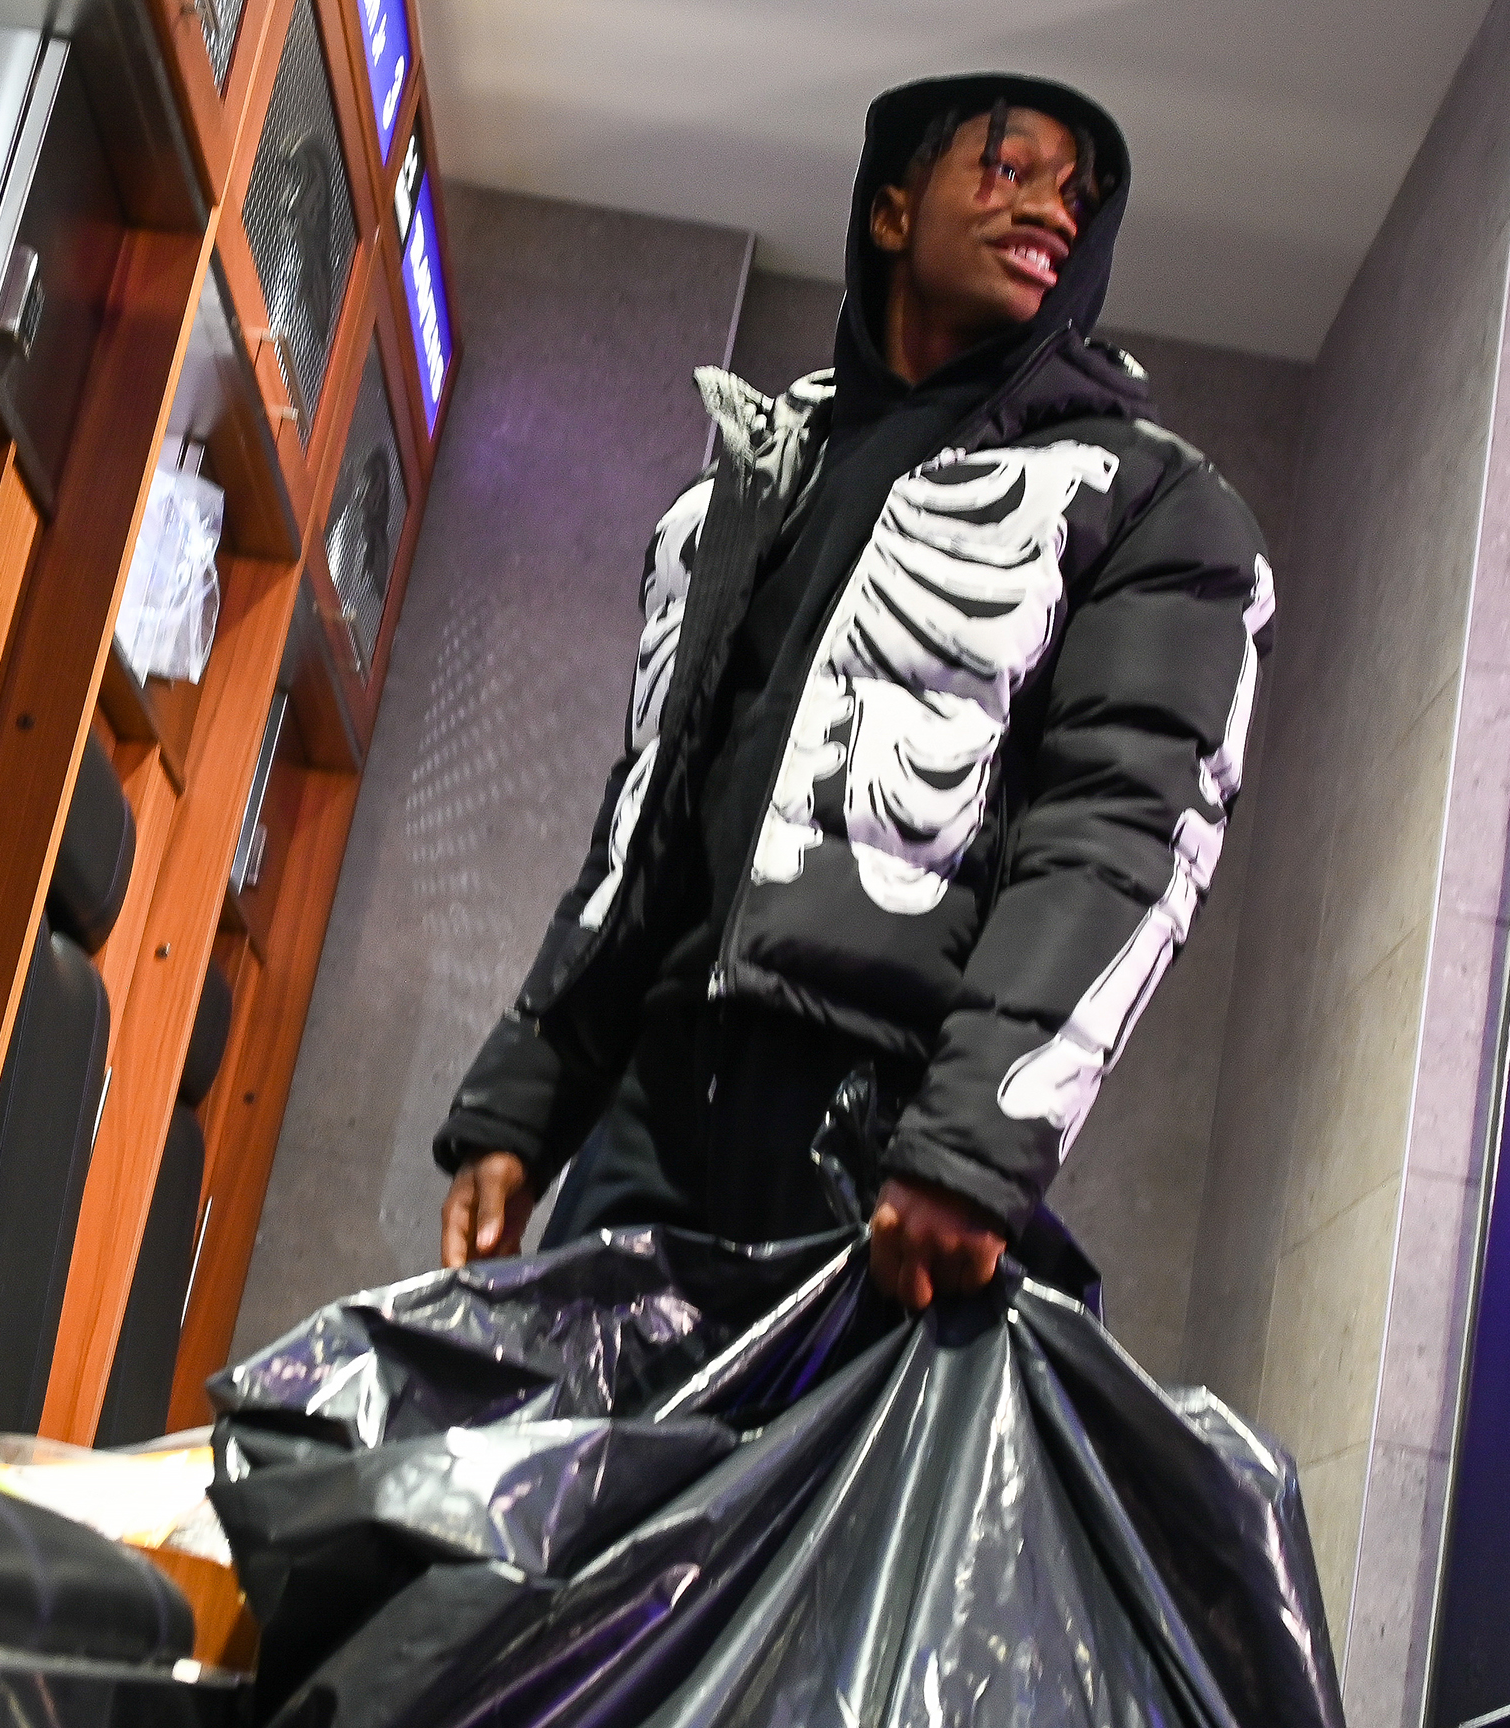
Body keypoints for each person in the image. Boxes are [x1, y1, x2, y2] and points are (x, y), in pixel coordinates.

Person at [434, 73, 1275, 1311]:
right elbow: (645, 829)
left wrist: (973, 1145)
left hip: (876, 1134)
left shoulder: (1154, 507)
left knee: (828, 1506)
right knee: (564, 1489)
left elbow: (1120, 842)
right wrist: (527, 1095)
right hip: (654, 1108)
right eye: (1008, 167)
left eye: (1078, 195)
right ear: (890, 212)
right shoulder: (749, 487)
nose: (1054, 208)